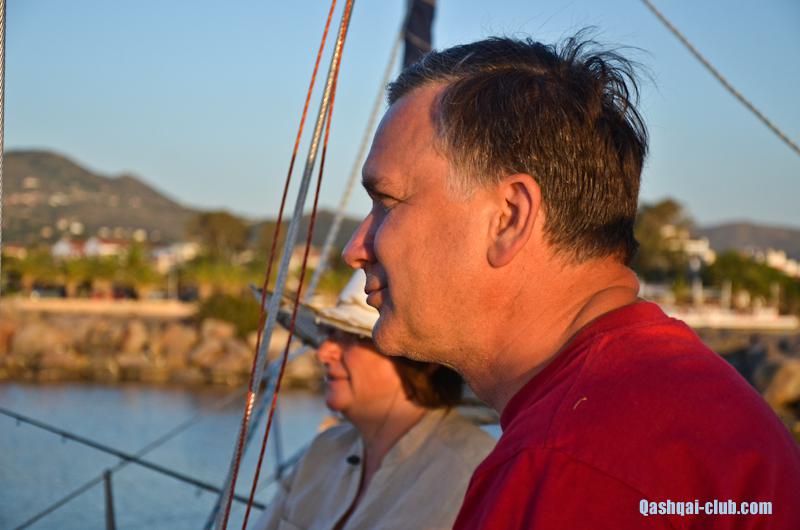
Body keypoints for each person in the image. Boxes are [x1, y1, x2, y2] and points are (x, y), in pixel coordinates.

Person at [342, 35, 800, 529]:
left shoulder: (568, 468)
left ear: (508, 218)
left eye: (387, 203)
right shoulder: (675, 402)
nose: (355, 249)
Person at [253, 270, 495, 530]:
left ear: (424, 360)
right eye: (329, 332)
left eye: (352, 337)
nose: (323, 352)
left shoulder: (475, 471)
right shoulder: (322, 452)